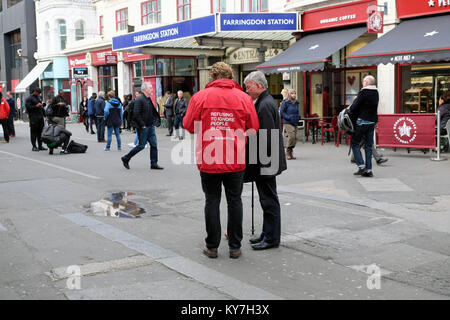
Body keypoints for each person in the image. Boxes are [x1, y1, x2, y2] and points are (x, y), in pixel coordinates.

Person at [183, 62, 259, 259]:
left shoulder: (200, 97)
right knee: (235, 200)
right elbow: (254, 127)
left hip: (210, 158)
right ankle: (235, 246)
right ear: (231, 76)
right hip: (235, 158)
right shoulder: (244, 98)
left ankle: (212, 246)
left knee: (212, 200)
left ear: (212, 77)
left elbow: (189, 125)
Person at [244, 71, 287, 251]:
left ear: (259, 86)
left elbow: (266, 138)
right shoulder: (264, 102)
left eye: (249, 87)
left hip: (266, 161)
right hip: (266, 160)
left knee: (269, 200)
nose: (247, 90)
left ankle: (271, 238)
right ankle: (267, 233)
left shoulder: (264, 105)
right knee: (266, 200)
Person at [121, 82, 163, 170]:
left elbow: (152, 112)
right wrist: (142, 125)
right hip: (144, 127)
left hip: (151, 126)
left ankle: (154, 163)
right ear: (145, 90)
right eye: (150, 88)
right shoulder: (139, 100)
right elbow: (136, 114)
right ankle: (126, 158)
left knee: (154, 145)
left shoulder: (148, 99)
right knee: (141, 145)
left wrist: (155, 121)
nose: (152, 89)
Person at [349, 75, 379, 178]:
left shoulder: (363, 92)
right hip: (372, 122)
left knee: (355, 143)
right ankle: (369, 170)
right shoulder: (376, 92)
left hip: (362, 121)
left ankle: (361, 166)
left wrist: (350, 109)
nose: (362, 83)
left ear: (366, 82)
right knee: (368, 146)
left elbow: (355, 106)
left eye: (363, 81)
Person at [280, 89, 300, 160]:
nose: (294, 95)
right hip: (288, 122)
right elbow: (282, 112)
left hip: (295, 121)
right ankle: (288, 152)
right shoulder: (285, 102)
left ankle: (291, 151)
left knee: (295, 137)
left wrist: (298, 117)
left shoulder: (296, 102)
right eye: (292, 93)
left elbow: (297, 111)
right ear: (289, 94)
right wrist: (288, 117)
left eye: (294, 93)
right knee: (291, 136)